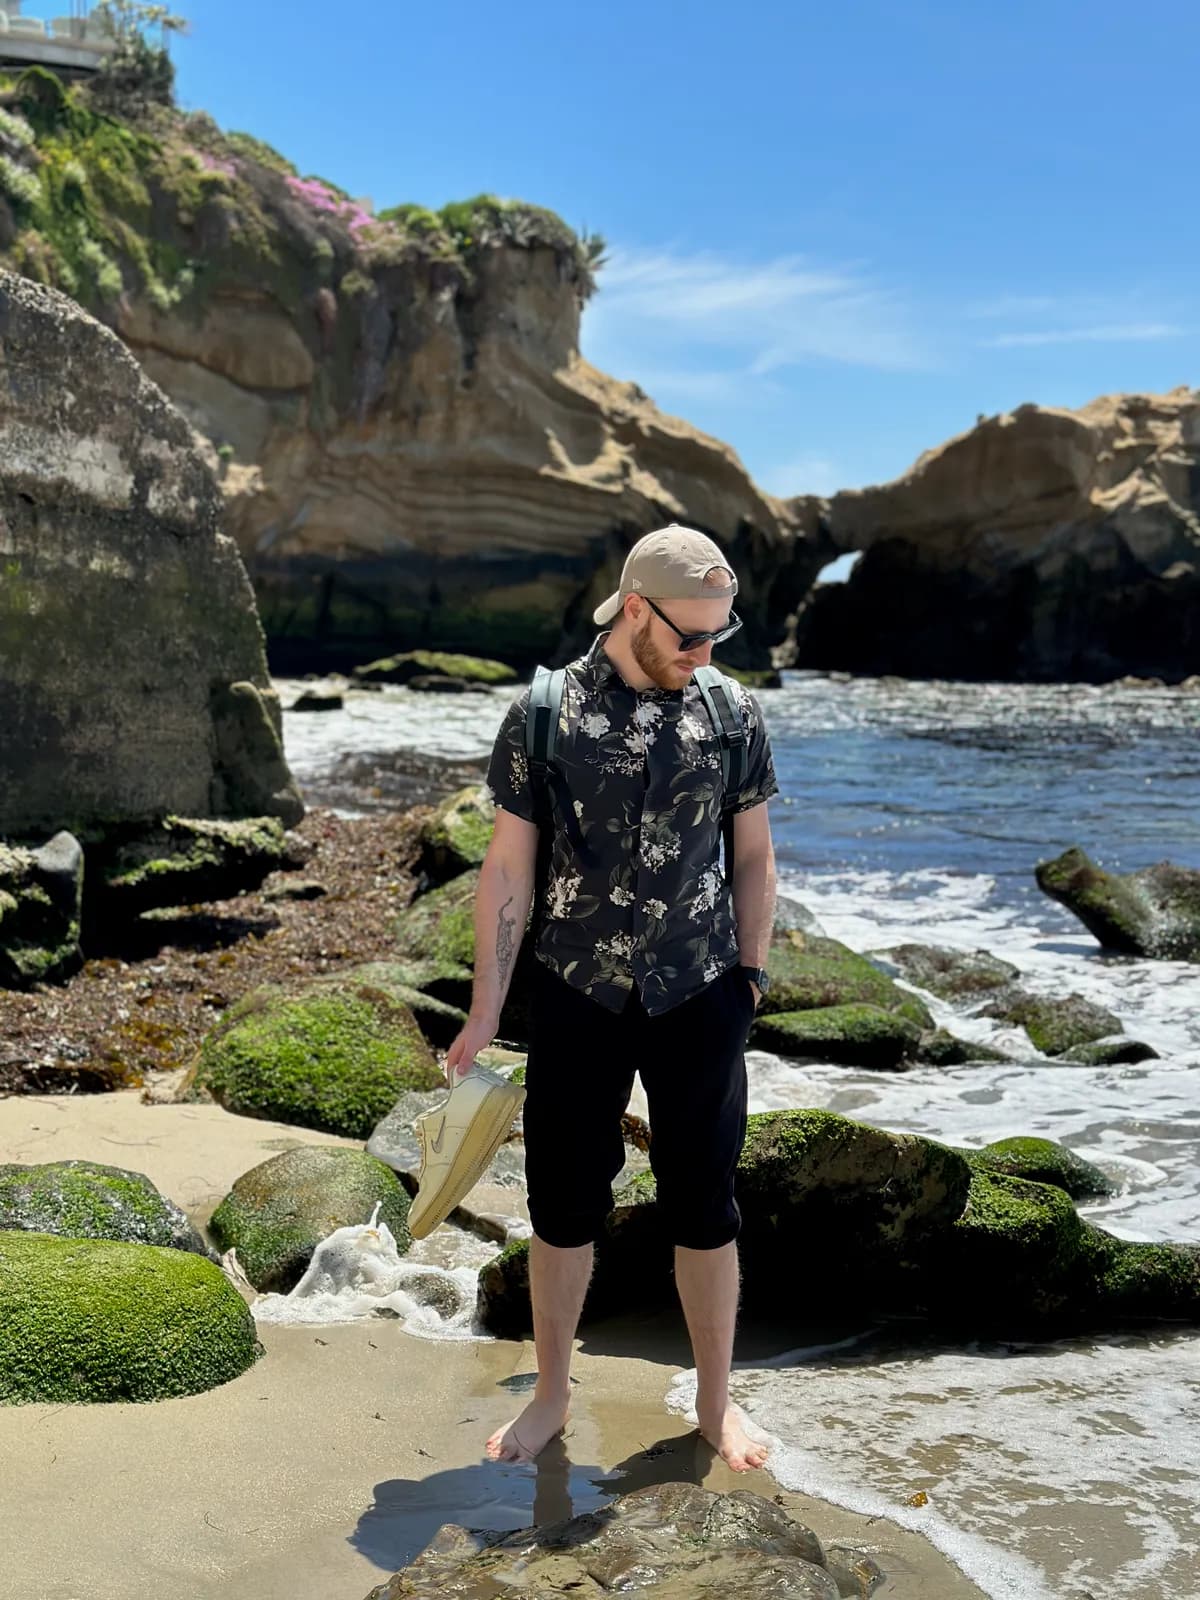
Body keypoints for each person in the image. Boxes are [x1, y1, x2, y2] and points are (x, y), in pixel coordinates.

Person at [444, 524, 778, 1472]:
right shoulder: (546, 713)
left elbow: (752, 856)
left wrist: (748, 978)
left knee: (704, 1205)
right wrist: (483, 1010)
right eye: (690, 635)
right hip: (576, 990)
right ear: (636, 610)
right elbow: (506, 869)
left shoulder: (733, 714)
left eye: (720, 634)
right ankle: (552, 1394)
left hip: (699, 990)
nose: (705, 654)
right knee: (562, 1205)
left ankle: (717, 1404)